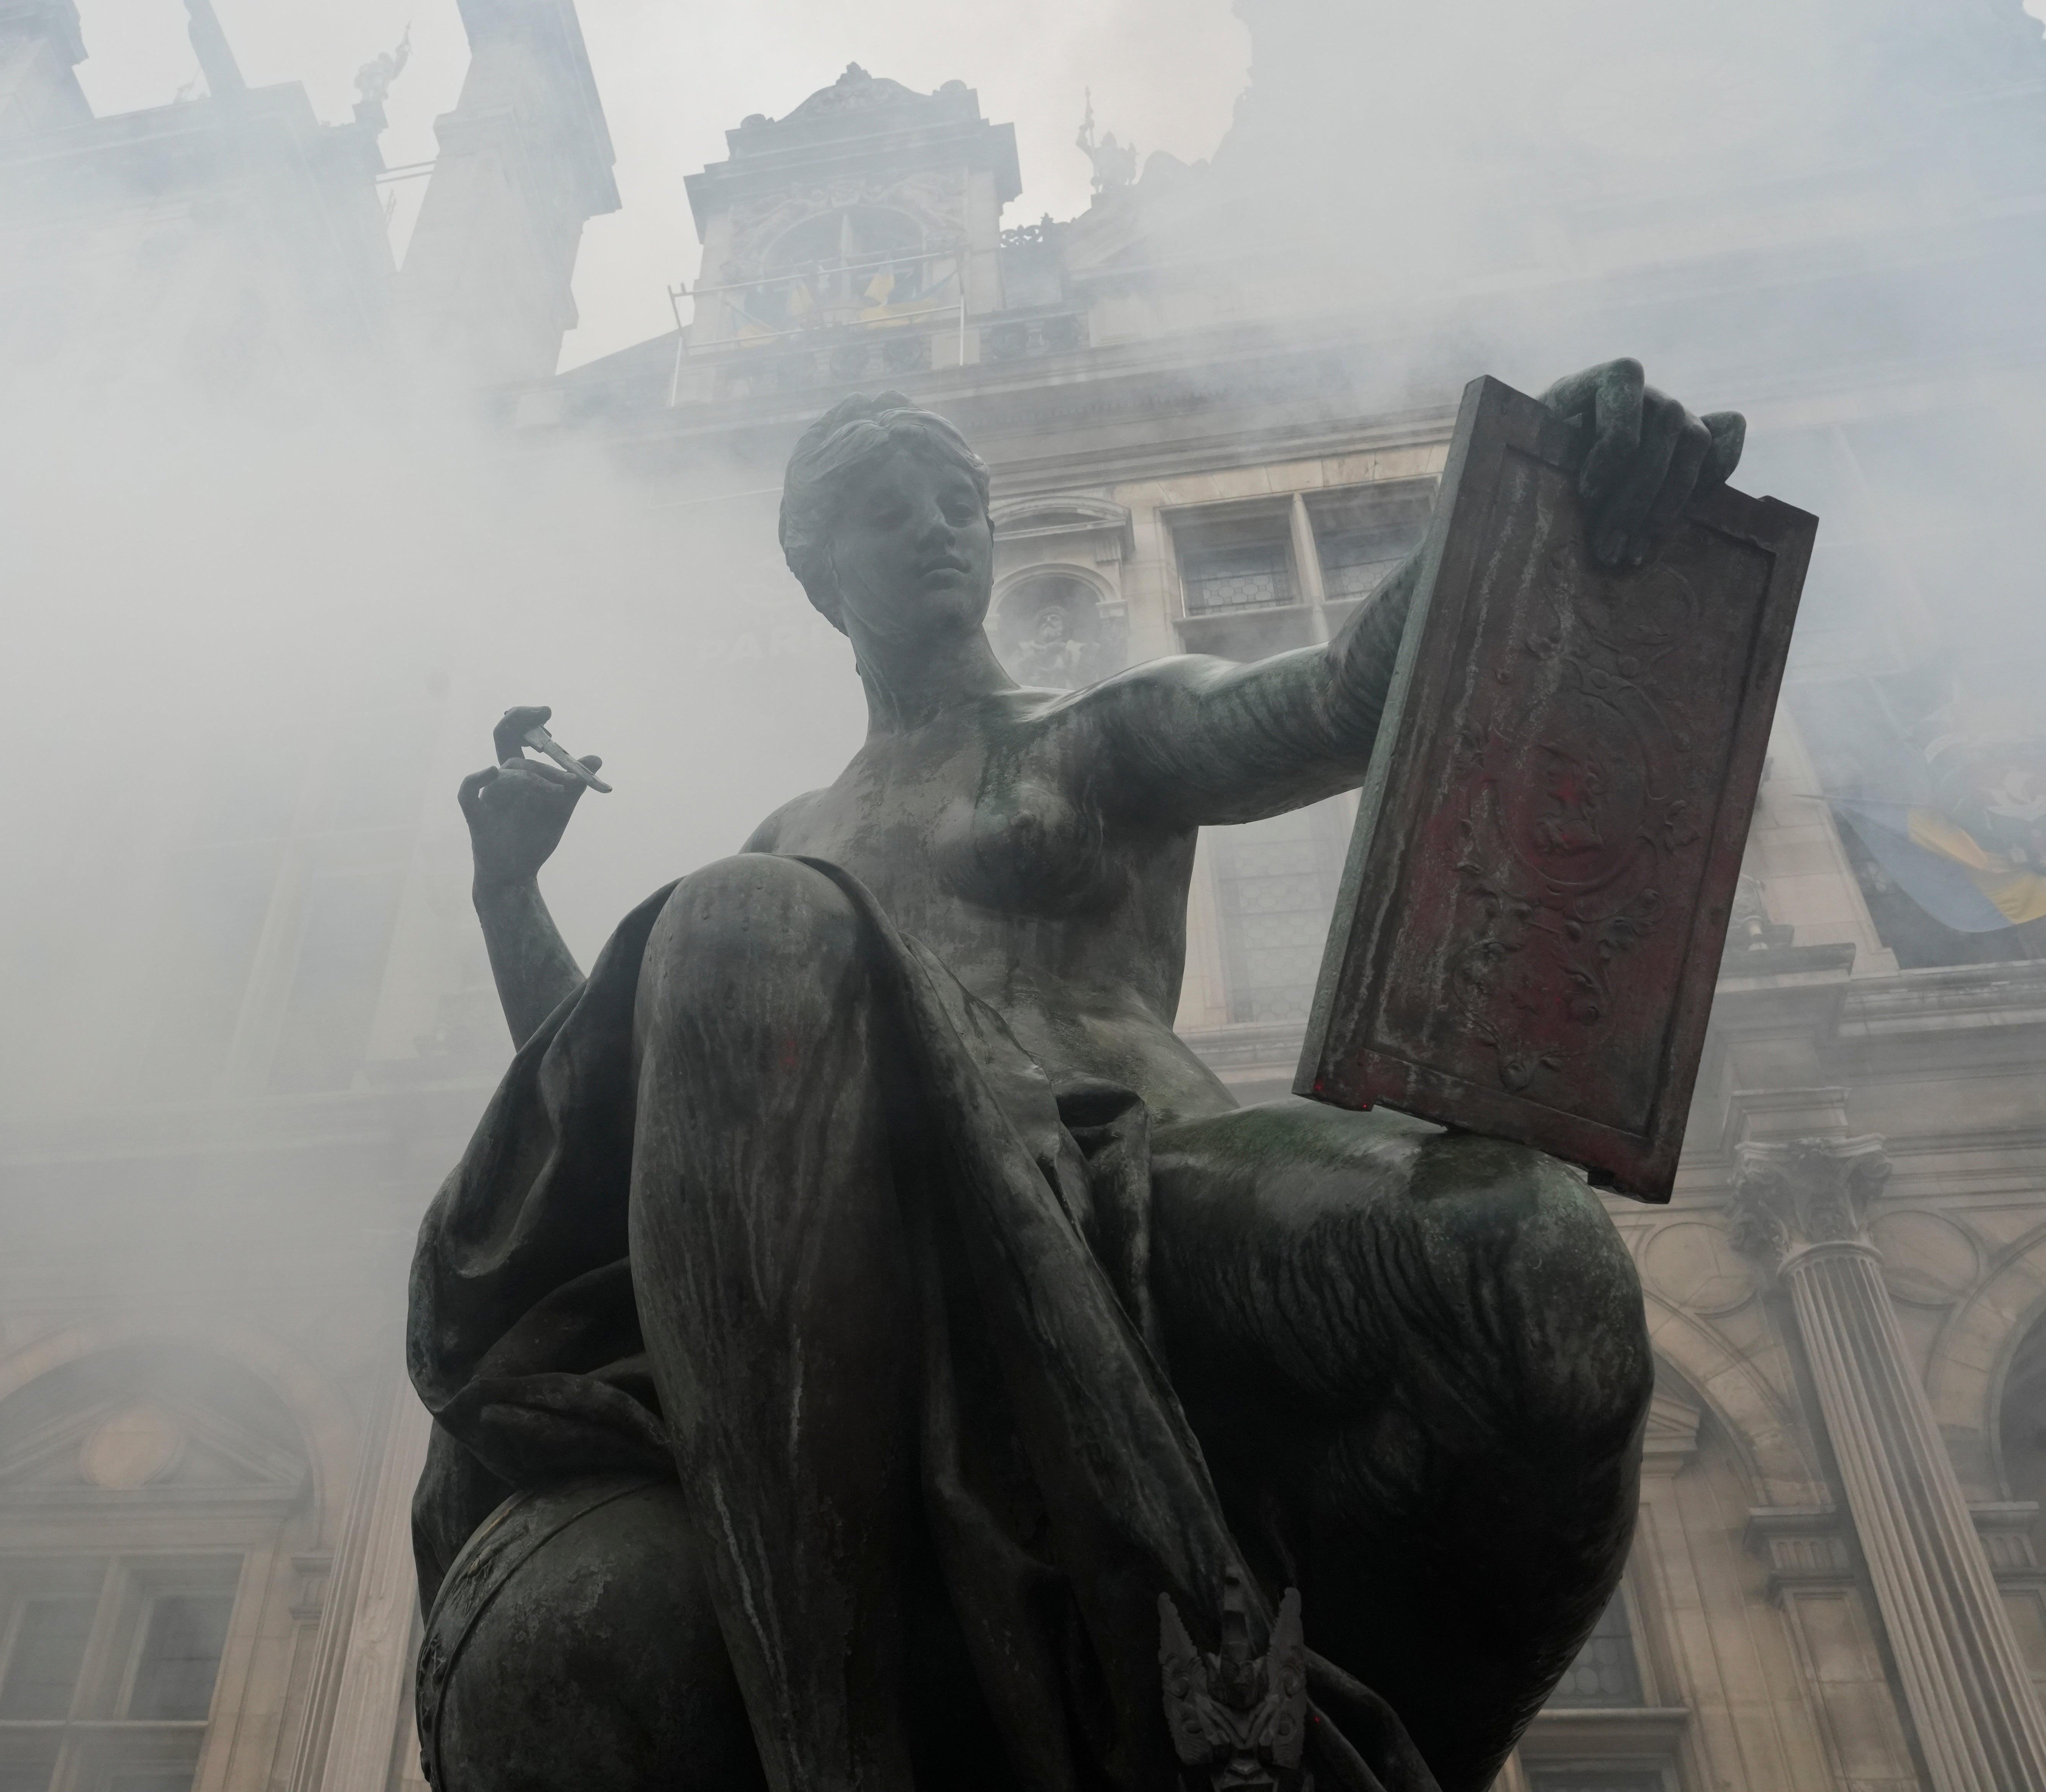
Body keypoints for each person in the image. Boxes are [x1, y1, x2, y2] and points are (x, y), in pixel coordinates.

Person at [411, 361, 1745, 1792]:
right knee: (734, 918)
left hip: (1139, 1188)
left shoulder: (1098, 731)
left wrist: (1527, 495)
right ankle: (835, 1756)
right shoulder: (785, 840)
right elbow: (599, 1122)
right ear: (816, 570)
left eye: (961, 502)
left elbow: (1347, 695)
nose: (939, 529)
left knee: (1533, 1259)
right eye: (886, 509)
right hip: (864, 1256)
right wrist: (509, 899)